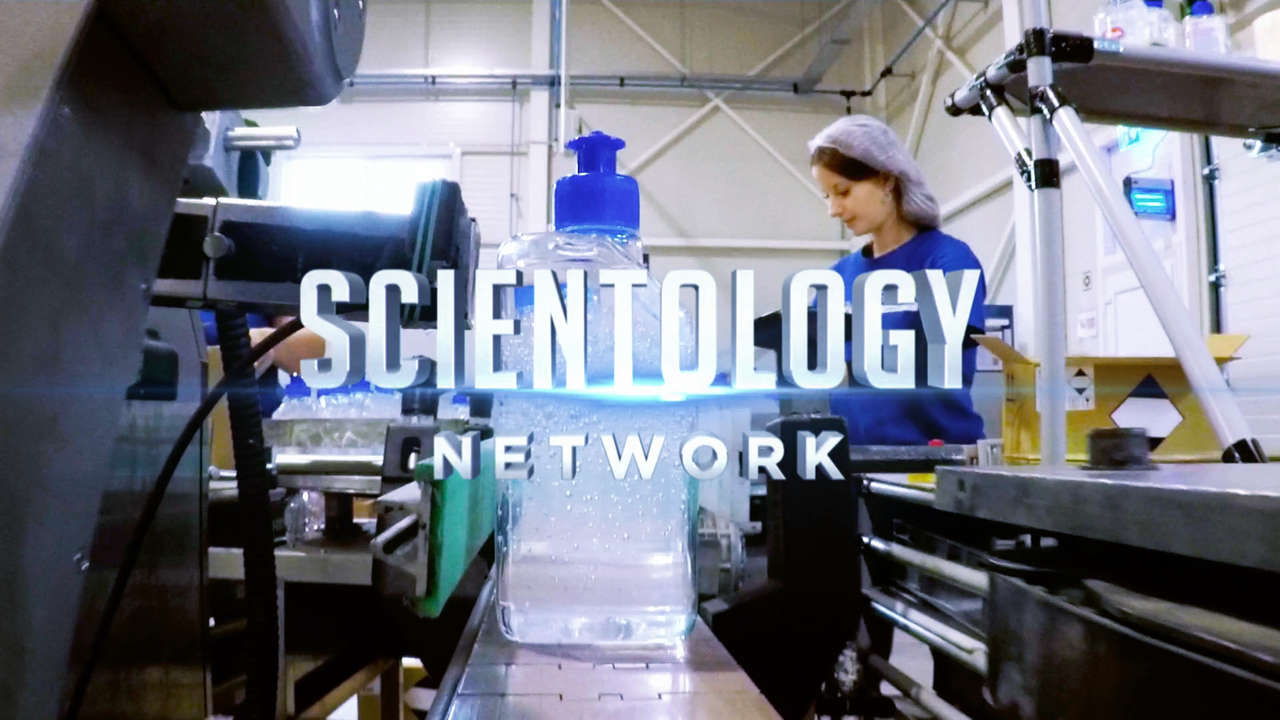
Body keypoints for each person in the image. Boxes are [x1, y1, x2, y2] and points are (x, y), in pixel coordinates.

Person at [808, 114, 986, 445]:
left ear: (887, 179)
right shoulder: (837, 278)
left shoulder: (946, 261)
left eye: (843, 192)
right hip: (856, 459)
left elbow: (942, 358)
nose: (833, 209)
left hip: (933, 459)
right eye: (827, 197)